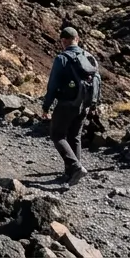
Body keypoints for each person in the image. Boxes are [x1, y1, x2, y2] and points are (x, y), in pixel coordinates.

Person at [41, 26, 98, 185]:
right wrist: (93, 105)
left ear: (63, 41)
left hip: (67, 103)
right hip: (84, 104)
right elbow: (96, 82)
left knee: (57, 135)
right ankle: (72, 174)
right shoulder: (89, 57)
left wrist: (46, 107)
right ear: (77, 39)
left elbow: (52, 85)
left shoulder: (62, 58)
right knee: (75, 136)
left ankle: (75, 167)